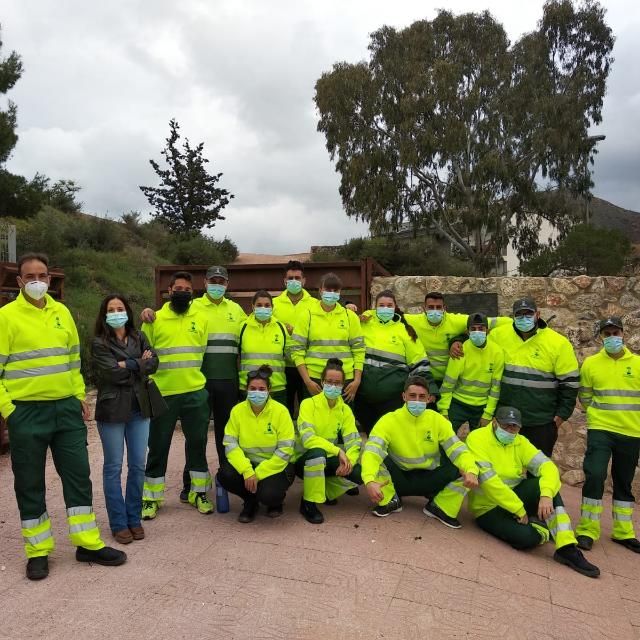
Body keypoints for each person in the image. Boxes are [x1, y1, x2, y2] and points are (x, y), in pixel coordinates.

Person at [0, 253, 126, 580]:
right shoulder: (6, 317)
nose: (38, 281)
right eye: (30, 276)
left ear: (50, 279)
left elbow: (72, 360)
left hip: (66, 411)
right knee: (30, 483)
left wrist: (77, 394)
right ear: (19, 281)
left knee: (78, 475)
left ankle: (87, 542)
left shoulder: (62, 312)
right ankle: (38, 551)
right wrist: (9, 410)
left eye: (42, 275)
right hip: (26, 412)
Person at [142, 265, 246, 503]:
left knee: (209, 439)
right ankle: (167, 493)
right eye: (178, 289)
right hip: (179, 387)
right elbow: (145, 351)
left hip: (211, 385)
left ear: (227, 284)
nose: (217, 285)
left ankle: (212, 486)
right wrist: (148, 311)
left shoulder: (226, 312)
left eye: (221, 281)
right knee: (168, 443)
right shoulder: (172, 314)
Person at [465, 406, 600, 578]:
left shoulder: (520, 441)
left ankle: (567, 548)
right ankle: (543, 527)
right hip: (488, 507)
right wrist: (519, 509)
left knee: (548, 488)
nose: (510, 430)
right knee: (528, 539)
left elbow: (548, 466)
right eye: (505, 426)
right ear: (494, 423)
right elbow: (490, 483)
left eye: (514, 427)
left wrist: (545, 494)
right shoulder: (477, 438)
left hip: (516, 495)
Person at [141, 271, 213, 520]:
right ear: (169, 291)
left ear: (192, 293)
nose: (182, 292)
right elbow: (144, 356)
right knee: (158, 446)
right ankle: (151, 498)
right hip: (164, 393)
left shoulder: (201, 318)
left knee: (198, 444)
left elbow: (201, 350)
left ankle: (198, 493)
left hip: (195, 392)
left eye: (186, 289)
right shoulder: (153, 319)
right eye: (177, 288)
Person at [361, 376, 479, 525]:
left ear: (429, 399)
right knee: (374, 461)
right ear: (404, 396)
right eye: (412, 396)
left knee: (469, 468)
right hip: (399, 478)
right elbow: (372, 451)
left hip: (429, 478)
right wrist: (370, 481)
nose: (417, 401)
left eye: (422, 397)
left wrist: (471, 470)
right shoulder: (388, 420)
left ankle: (440, 507)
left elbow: (457, 449)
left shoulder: (438, 420)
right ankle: (390, 500)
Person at [91, 294, 159, 544]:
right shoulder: (99, 342)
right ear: (104, 314)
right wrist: (140, 363)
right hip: (112, 411)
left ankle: (134, 518)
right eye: (111, 309)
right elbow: (110, 374)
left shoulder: (139, 336)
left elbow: (155, 364)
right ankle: (118, 523)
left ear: (127, 312)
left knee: (138, 466)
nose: (116, 312)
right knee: (113, 467)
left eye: (120, 308)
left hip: (139, 409)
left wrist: (127, 364)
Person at [576, 317, 640, 554]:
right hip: (601, 428)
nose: (612, 336)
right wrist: (595, 415)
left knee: (623, 481)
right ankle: (587, 530)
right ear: (601, 337)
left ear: (623, 333)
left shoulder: (638, 363)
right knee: (594, 473)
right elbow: (585, 396)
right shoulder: (591, 364)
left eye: (615, 332)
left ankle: (624, 532)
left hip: (632, 432)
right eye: (607, 333)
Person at [485, 297, 580, 457]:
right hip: (504, 418)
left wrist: (561, 415)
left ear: (538, 314)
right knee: (502, 468)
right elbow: (475, 339)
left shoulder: (558, 343)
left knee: (538, 471)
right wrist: (456, 341)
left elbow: (570, 383)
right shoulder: (498, 335)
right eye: (519, 314)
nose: (524, 318)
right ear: (513, 316)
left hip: (541, 421)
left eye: (528, 314)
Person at [218, 365, 296, 523]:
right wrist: (247, 471)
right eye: (252, 388)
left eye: (261, 389)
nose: (257, 393)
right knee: (225, 475)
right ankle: (250, 502)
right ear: (246, 389)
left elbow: (285, 451)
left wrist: (258, 474)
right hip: (248, 464)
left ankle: (275, 502)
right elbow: (230, 445)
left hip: (276, 466)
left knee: (269, 494)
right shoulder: (237, 411)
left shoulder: (281, 411)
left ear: (269, 390)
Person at [354, 289, 437, 434]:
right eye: (381, 305)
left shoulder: (406, 331)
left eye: (389, 305)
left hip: (392, 402)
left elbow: (420, 364)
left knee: (390, 437)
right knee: (371, 438)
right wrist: (349, 307)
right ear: (375, 307)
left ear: (395, 307)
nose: (385, 309)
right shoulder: (363, 325)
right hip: (363, 400)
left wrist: (431, 390)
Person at [295, 358, 363, 524]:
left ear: (343, 385)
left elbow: (354, 440)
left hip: (328, 459)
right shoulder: (308, 404)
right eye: (330, 382)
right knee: (318, 454)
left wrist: (349, 461)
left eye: (338, 383)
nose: (333, 386)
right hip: (304, 459)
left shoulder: (344, 409)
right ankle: (308, 503)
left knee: (359, 473)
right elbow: (308, 439)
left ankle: (325, 491)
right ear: (322, 382)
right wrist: (337, 451)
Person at [405, 292, 507, 388]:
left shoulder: (456, 321)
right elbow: (394, 317)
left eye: (439, 307)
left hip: (450, 380)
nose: (435, 311)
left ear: (444, 308)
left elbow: (493, 322)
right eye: (431, 307)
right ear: (424, 308)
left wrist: (517, 321)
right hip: (425, 380)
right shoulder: (413, 321)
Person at [290, 272, 365, 402]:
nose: (331, 293)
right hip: (315, 379)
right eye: (327, 289)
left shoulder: (350, 317)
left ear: (340, 292)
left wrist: (357, 380)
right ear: (320, 291)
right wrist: (307, 381)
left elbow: (359, 350)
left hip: (344, 380)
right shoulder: (307, 316)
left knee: (343, 420)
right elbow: (297, 350)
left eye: (335, 290)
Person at [438, 313, 505, 432]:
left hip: (482, 406)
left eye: (481, 329)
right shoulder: (460, 350)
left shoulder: (497, 352)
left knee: (481, 444)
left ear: (487, 331)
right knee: (445, 436)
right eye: (473, 329)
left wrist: (488, 414)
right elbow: (448, 383)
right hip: (458, 403)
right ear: (467, 332)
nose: (477, 332)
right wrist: (443, 410)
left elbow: (496, 388)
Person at [273, 260, 313, 417]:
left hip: (307, 366)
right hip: (283, 366)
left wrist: (349, 305)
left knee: (307, 409)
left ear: (304, 280)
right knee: (284, 410)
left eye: (297, 278)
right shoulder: (273, 304)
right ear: (284, 281)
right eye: (290, 278)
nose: (294, 281)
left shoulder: (315, 304)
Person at [239, 290, 289, 405]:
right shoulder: (242, 327)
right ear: (253, 306)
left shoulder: (281, 328)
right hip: (249, 389)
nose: (263, 308)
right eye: (259, 305)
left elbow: (291, 355)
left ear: (272, 307)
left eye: (267, 305)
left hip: (276, 388)